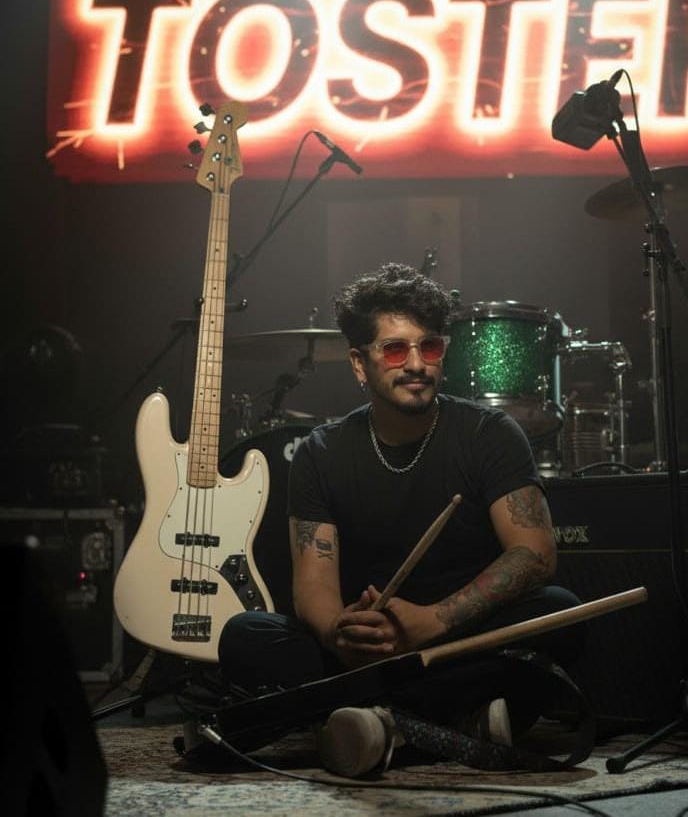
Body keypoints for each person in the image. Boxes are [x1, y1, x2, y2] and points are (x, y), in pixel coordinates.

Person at [219, 263, 584, 776]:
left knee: (560, 613)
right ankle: (453, 721)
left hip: (461, 640)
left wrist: (431, 622)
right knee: (244, 635)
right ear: (359, 363)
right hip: (366, 651)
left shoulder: (490, 433)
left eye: (429, 347)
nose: (416, 364)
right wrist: (340, 633)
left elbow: (535, 554)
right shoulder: (320, 453)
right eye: (395, 350)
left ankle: (379, 723)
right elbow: (313, 584)